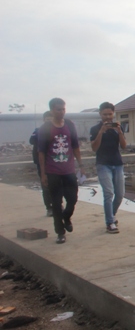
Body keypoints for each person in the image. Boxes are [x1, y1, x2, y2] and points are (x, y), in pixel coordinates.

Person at [38, 98, 85, 244]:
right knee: (56, 203)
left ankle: (67, 216)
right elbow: (41, 152)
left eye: (63, 109)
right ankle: (60, 232)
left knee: (73, 199)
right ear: (52, 110)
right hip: (53, 171)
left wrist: (81, 165)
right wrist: (43, 173)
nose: (62, 112)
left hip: (69, 171)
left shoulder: (70, 125)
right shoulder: (46, 127)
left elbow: (75, 146)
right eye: (58, 109)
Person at [90, 102, 127, 234]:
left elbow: (123, 146)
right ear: (100, 114)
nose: (107, 117)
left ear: (113, 114)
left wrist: (119, 132)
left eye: (110, 114)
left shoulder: (118, 127)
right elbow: (94, 148)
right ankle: (110, 222)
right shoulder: (95, 129)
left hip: (117, 163)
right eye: (105, 114)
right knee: (108, 193)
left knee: (120, 194)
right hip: (103, 164)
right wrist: (101, 132)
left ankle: (112, 214)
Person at [29, 111, 53, 216]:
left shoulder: (57, 130)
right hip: (41, 162)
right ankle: (49, 207)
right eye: (47, 119)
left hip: (54, 161)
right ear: (44, 120)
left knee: (57, 185)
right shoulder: (38, 130)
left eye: (51, 118)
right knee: (45, 185)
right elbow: (32, 140)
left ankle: (57, 204)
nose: (49, 121)